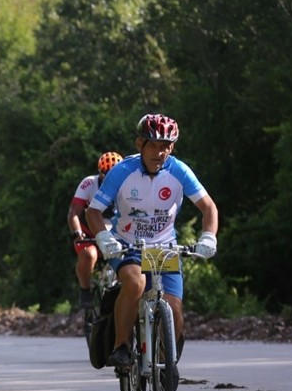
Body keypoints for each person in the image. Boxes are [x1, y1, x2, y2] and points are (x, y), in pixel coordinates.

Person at [86, 114, 219, 369]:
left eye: (166, 146)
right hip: (127, 244)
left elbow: (208, 207)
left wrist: (209, 237)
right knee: (136, 283)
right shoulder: (122, 171)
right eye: (154, 145)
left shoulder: (179, 170)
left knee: (175, 308)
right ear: (139, 144)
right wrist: (104, 238)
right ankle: (122, 346)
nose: (160, 152)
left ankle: (165, 362)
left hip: (163, 246)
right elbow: (93, 211)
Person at [67, 151, 123, 312]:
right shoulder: (89, 184)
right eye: (107, 175)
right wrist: (77, 232)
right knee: (88, 255)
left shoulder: (127, 184)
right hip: (90, 232)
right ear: (100, 173)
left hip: (115, 233)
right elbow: (73, 213)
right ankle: (85, 291)